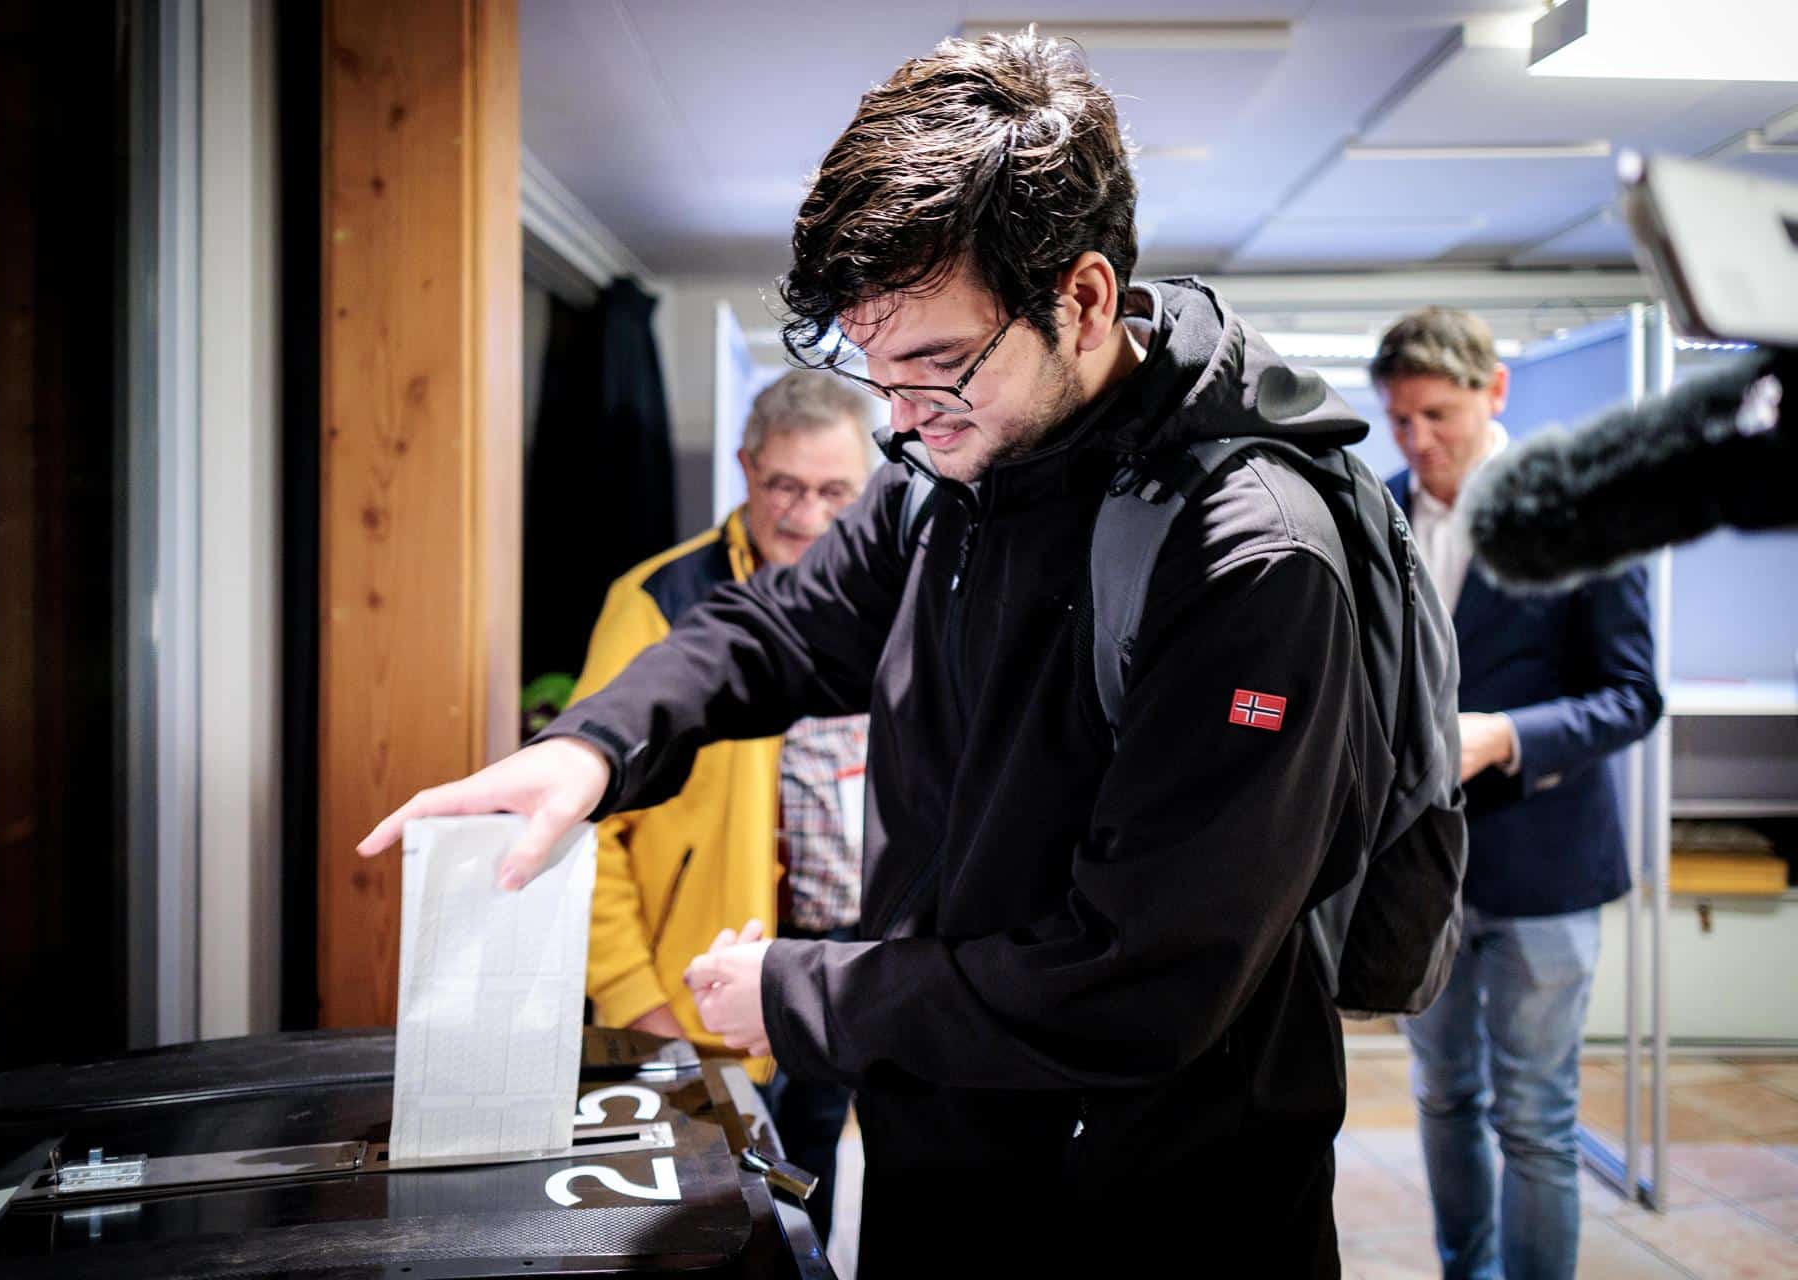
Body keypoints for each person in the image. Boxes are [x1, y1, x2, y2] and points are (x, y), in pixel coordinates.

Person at [363, 31, 1418, 1273]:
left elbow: (1141, 980)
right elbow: (781, 625)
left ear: (1080, 300)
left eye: (933, 366)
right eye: (879, 375)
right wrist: (591, 750)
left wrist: (799, 994)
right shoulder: (949, 470)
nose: (901, 416)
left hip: (1161, 1202)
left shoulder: (1248, 557)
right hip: (947, 1156)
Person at [1372, 308, 1662, 1280]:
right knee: (1445, 1093)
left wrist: (1506, 736)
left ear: (1495, 391)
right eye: (1401, 419)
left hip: (1544, 866)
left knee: (1536, 1114)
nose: (1419, 441)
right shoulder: (1377, 506)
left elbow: (1632, 694)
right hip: (1420, 868)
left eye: (1438, 415)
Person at [566, 370, 874, 1239]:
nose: (805, 515)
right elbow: (591, 831)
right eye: (783, 485)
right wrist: (636, 999)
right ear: (745, 468)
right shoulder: (658, 603)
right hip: (694, 996)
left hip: (844, 977)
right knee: (706, 1228)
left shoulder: (895, 599)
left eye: (832, 491)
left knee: (809, 1198)